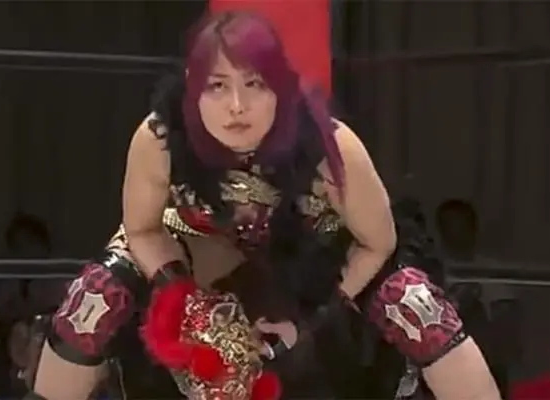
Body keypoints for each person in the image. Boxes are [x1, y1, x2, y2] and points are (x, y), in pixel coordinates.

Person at [30, 10, 498, 400]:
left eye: (254, 84)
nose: (237, 106)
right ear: (192, 88)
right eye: (217, 86)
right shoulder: (159, 138)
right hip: (197, 244)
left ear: (281, 87)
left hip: (320, 252)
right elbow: (142, 230)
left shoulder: (331, 146)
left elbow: (378, 243)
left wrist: (314, 320)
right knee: (93, 297)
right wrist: (182, 296)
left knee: (415, 304)